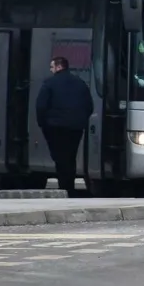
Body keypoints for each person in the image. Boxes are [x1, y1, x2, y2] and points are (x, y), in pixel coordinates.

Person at [35, 56, 94, 196]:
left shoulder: (49, 83)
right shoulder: (80, 83)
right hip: (75, 127)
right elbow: (89, 106)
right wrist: (81, 120)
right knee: (71, 156)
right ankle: (70, 186)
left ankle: (64, 186)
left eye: (52, 67)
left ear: (59, 67)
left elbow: (41, 106)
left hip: (55, 127)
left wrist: (42, 123)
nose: (51, 69)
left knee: (59, 157)